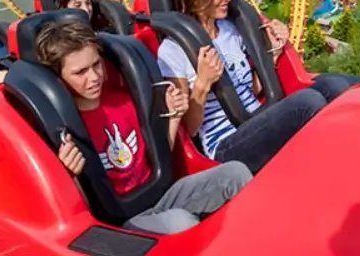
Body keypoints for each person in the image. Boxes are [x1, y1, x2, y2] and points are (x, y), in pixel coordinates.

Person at [36, 20, 250, 235]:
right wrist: (68, 175)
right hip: (123, 221)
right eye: (80, 72)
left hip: (159, 195)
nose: (94, 77)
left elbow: (158, 155)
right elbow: (78, 213)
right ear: (59, 78)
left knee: (235, 172)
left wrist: (174, 117)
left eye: (96, 65)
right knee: (182, 223)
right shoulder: (65, 130)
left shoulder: (124, 101)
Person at [157, 0, 360, 173]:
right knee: (307, 103)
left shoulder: (230, 29)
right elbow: (188, 129)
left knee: (333, 86)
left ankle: (351, 151)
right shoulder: (173, 50)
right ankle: (333, 166)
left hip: (256, 118)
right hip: (225, 144)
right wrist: (202, 84)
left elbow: (251, 89)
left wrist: (272, 54)